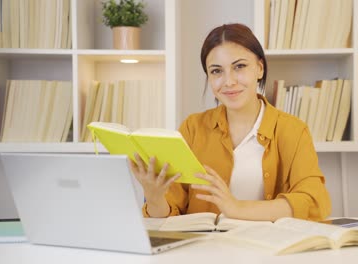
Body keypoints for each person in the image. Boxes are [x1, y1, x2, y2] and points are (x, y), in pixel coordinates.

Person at [130, 23, 331, 222]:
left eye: (239, 67)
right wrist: (155, 197)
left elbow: (313, 203)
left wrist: (236, 207)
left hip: (269, 251)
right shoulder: (193, 128)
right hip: (204, 251)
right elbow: (168, 213)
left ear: (259, 68)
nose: (229, 81)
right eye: (217, 71)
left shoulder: (292, 130)